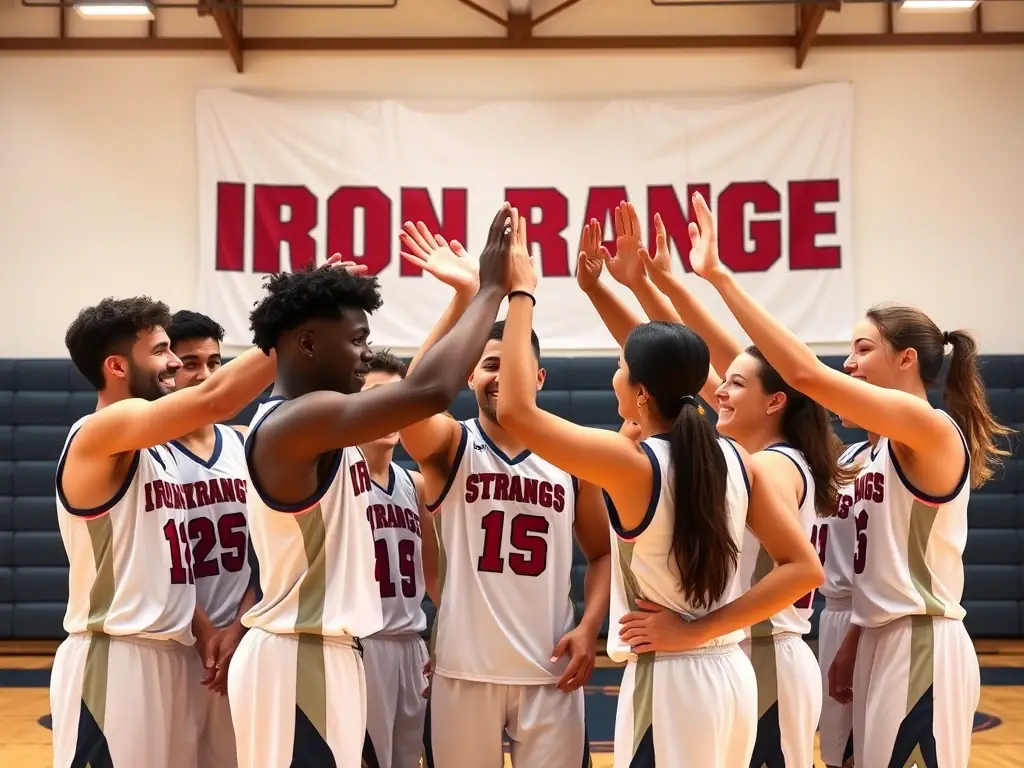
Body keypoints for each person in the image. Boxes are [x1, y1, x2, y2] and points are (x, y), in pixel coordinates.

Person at [686, 189, 1013, 767]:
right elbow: (735, 379)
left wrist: (719, 276)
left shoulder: (929, 428)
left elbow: (800, 373)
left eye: (863, 349)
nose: (850, 363)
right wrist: (659, 287)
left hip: (921, 641)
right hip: (870, 634)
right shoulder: (865, 454)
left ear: (907, 359)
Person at [496, 214, 825, 767]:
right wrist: (602, 287)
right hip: (733, 677)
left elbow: (513, 409)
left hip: (673, 682)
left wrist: (521, 290)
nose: (613, 376)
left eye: (621, 366)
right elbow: (805, 568)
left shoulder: (632, 464)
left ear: (642, 392)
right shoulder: (734, 455)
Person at [228, 204, 517, 768]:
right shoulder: (296, 422)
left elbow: (407, 389)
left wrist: (462, 299)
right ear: (308, 344)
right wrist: (491, 290)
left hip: (331, 655)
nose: (366, 354)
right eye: (358, 340)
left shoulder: (322, 422)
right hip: (297, 657)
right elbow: (429, 391)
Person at [596, 201, 847, 767]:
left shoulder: (773, 465)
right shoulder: (734, 456)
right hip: (737, 650)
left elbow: (801, 566)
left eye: (734, 384)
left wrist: (695, 631)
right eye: (719, 384)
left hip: (756, 647)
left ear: (774, 402)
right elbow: (668, 364)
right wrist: (650, 283)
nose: (719, 392)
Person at [395, 221, 612, 768]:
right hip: (464, 670)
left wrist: (589, 628)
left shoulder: (572, 457)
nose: (497, 376)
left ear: (537, 379)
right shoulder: (451, 443)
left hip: (550, 671)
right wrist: (464, 300)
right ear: (469, 376)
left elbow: (604, 553)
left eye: (506, 365)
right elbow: (409, 404)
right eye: (486, 365)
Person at [51, 296, 276, 768]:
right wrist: (295, 318)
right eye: (160, 351)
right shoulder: (96, 433)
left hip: (175, 654)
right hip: (117, 657)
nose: (173, 362)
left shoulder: (162, 453)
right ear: (116, 365)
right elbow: (218, 397)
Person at [165, 309, 259, 768]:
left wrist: (240, 625)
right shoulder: (148, 451)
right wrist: (205, 631)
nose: (204, 374)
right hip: (178, 642)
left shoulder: (245, 443)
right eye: (190, 363)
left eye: (215, 362)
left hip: (242, 637)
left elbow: (264, 551)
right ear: (168, 369)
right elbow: (157, 556)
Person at [358, 349, 440, 768]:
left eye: (397, 396)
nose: (389, 408)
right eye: (376, 395)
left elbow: (435, 577)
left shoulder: (418, 485)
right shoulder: (334, 476)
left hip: (411, 645)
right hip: (360, 644)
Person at [816, 425, 872, 768]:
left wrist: (855, 634)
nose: (849, 367)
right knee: (837, 757)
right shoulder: (846, 456)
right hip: (834, 613)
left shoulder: (905, 452)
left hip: (871, 614)